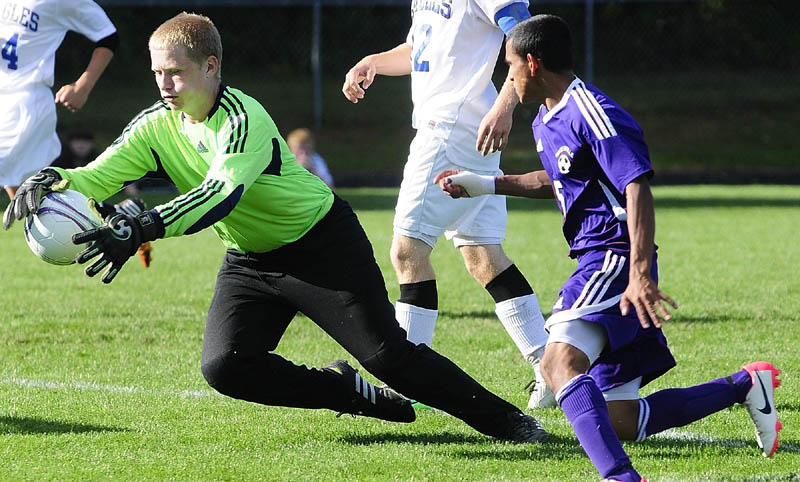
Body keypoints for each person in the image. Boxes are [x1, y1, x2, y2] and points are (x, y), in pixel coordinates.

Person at [2, 12, 548, 443]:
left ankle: (512, 423)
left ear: (212, 66)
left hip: (320, 244)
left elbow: (219, 195)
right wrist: (51, 178)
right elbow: (99, 175)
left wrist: (143, 226)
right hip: (251, 260)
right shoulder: (155, 125)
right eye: (156, 73)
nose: (164, 84)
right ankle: (346, 393)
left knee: (391, 358)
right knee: (226, 367)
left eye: (176, 72)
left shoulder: (243, 118)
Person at [435, 14, 782, 480]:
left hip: (613, 255)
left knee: (558, 364)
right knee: (620, 419)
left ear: (533, 64)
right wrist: (482, 184)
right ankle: (744, 385)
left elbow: (635, 183)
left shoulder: (590, 110)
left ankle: (621, 478)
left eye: (510, 64)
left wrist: (638, 273)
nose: (507, 76)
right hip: (600, 256)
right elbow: (558, 180)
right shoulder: (545, 118)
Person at [342, 0, 555, 409]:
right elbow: (420, 49)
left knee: (407, 252)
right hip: (458, 128)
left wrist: (504, 105)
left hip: (451, 129)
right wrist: (373, 62)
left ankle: (408, 379)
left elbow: (529, 38)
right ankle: (550, 368)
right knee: (482, 255)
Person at [0, 0, 118, 201]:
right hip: (5, 93)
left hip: (26, 99)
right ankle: (99, 216)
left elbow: (108, 36)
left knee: (21, 183)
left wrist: (83, 86)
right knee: (25, 192)